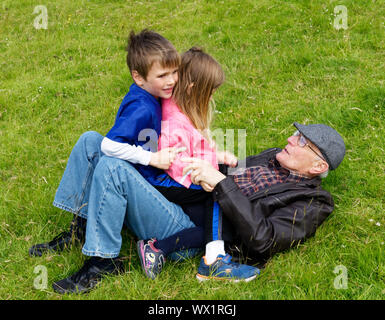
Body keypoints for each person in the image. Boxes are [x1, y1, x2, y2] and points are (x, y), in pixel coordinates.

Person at [28, 29, 192, 294]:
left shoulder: (152, 94)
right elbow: (109, 145)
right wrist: (153, 158)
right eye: (162, 75)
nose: (172, 80)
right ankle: (86, 236)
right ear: (138, 78)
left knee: (99, 150)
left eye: (175, 72)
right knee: (93, 143)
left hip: (177, 224)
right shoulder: (142, 105)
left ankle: (100, 257)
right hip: (160, 193)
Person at [131, 47, 258, 281]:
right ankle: (213, 261)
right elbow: (174, 159)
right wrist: (201, 178)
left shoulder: (182, 108)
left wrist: (216, 155)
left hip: (180, 178)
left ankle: (157, 248)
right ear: (193, 88)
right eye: (209, 92)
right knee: (219, 192)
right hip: (170, 180)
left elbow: (194, 145)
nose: (211, 98)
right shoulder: (174, 120)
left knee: (211, 227)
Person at [179, 122, 345, 278]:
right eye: (296, 134)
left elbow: (264, 240)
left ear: (318, 166)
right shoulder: (273, 155)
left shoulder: (314, 201)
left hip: (192, 225)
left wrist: (221, 184)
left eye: (302, 141)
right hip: (190, 193)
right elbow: (229, 170)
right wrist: (214, 159)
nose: (290, 139)